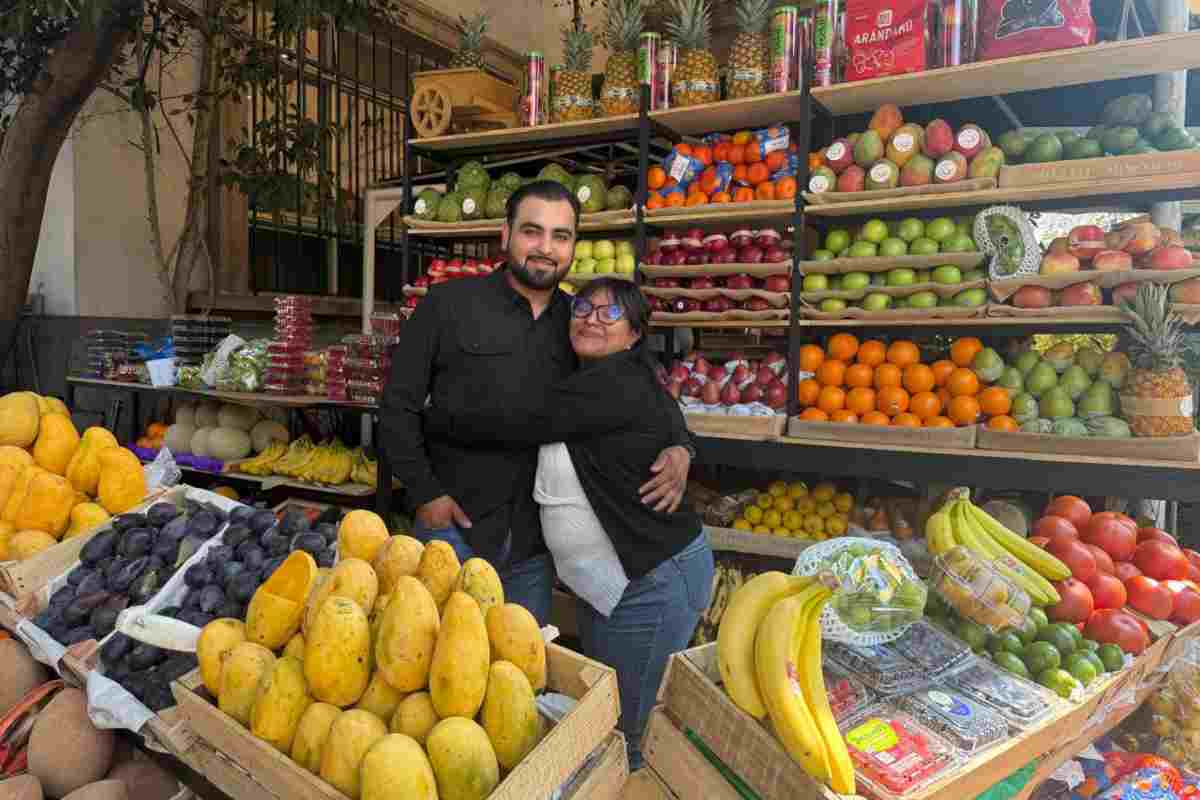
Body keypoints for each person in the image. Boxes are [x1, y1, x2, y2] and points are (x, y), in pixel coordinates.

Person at [424, 276, 713, 770]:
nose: (591, 320)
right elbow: (666, 411)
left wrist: (430, 413)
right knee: (605, 717)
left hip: (653, 584)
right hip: (608, 588)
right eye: (583, 308)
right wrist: (683, 445)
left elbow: (514, 421)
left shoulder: (609, 384)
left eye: (610, 313)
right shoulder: (605, 376)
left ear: (634, 334)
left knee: (625, 731)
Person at [379, 179, 694, 626]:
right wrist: (426, 493)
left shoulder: (580, 322)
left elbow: (643, 388)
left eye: (560, 236)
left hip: (532, 546)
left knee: (524, 663)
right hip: (454, 527)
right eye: (532, 231)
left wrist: (681, 446)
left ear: (572, 245)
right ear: (505, 234)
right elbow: (398, 406)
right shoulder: (449, 305)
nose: (546, 248)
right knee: (432, 652)